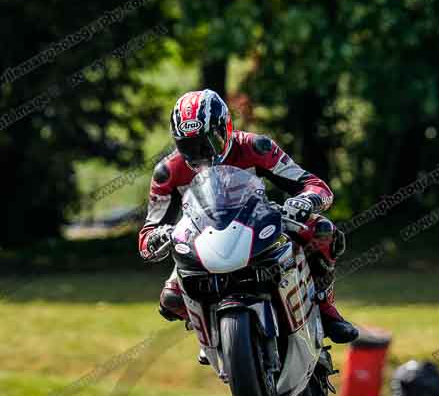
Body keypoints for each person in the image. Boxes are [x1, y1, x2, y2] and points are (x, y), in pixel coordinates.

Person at [139, 89, 358, 344]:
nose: (202, 152)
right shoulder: (167, 172)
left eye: (210, 141)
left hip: (258, 225)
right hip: (200, 240)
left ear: (227, 127)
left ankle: (325, 306)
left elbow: (315, 185)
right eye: (189, 146)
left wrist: (305, 200)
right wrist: (157, 237)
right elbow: (147, 232)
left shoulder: (256, 147)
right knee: (170, 300)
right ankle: (210, 333)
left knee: (323, 232)